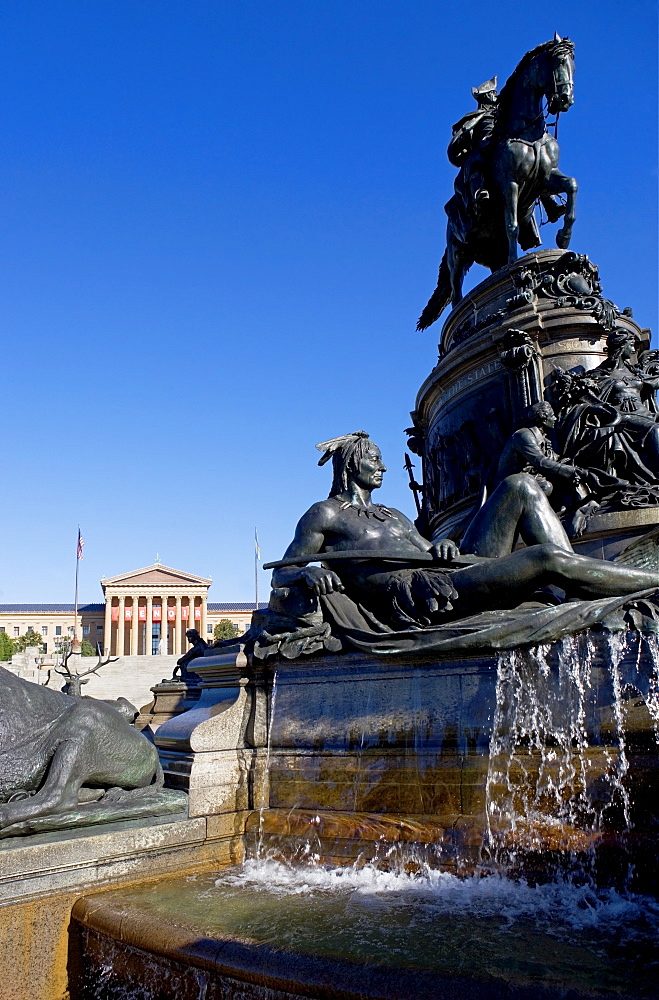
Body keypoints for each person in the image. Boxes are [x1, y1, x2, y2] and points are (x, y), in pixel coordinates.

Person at [272, 431, 659, 629]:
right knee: (544, 558)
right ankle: (650, 582)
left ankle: (578, 584)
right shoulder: (324, 514)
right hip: (423, 596)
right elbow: (284, 571)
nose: (383, 467)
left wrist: (441, 544)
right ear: (352, 463)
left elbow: (428, 546)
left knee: (519, 484)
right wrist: (311, 570)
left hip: (450, 572)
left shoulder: (393, 514)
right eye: (375, 459)